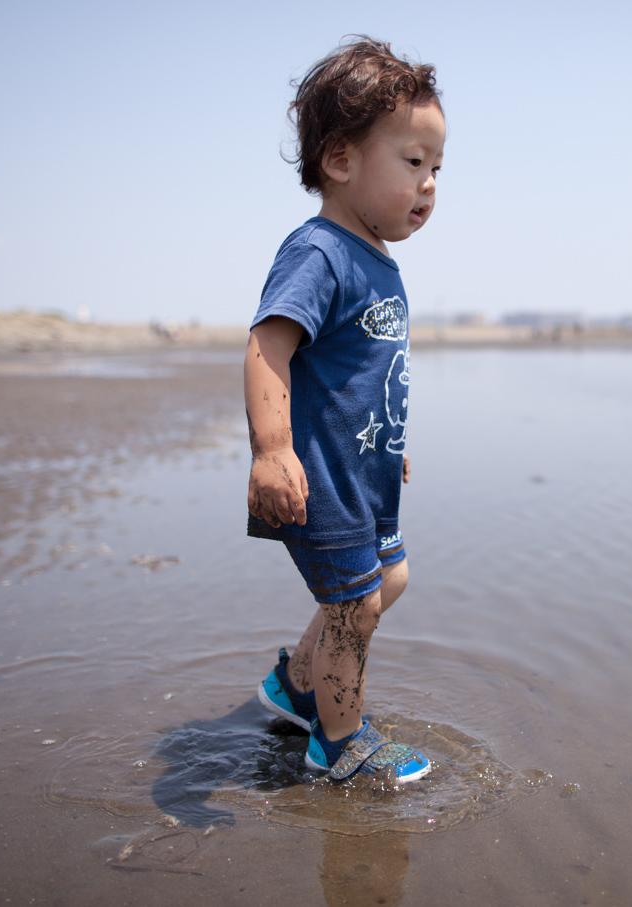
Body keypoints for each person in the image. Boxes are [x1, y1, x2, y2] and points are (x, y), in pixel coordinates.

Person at [244, 37, 445, 783]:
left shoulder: (377, 260)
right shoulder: (320, 252)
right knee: (355, 604)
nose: (428, 185)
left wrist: (389, 444)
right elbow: (267, 346)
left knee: (386, 582)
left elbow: (365, 373)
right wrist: (272, 448)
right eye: (412, 162)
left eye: (437, 168)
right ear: (340, 161)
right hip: (318, 475)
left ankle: (298, 683)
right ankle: (342, 740)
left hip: (366, 468)